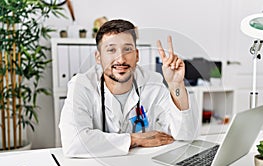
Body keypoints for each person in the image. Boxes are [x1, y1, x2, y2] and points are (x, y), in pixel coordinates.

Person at [59, 19, 198, 157]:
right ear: (98, 57)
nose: (121, 59)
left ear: (137, 55)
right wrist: (135, 139)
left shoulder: (152, 84)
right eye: (111, 50)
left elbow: (185, 135)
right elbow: (73, 142)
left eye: (127, 49)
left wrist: (176, 85)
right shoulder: (82, 85)